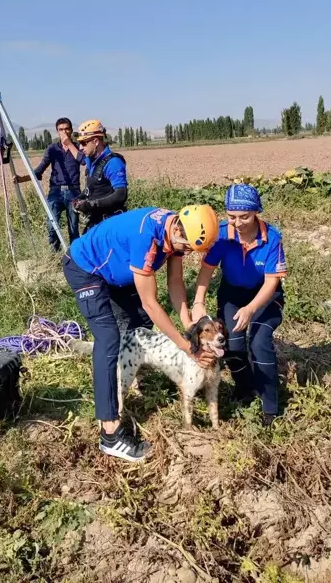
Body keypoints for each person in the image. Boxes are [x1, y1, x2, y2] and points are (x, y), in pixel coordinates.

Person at [63, 204, 220, 461]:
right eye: (188, 247)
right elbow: (152, 302)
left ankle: (129, 380)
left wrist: (189, 328)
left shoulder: (174, 229)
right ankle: (110, 433)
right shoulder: (147, 239)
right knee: (108, 339)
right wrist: (186, 346)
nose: (188, 252)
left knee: (138, 322)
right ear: (178, 231)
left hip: (117, 271)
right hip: (86, 268)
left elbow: (175, 283)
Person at [192, 184, 287, 427]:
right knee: (231, 344)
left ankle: (270, 407)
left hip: (265, 297)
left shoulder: (271, 238)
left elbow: (271, 281)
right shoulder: (222, 235)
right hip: (232, 294)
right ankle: (245, 388)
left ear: (256, 212)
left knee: (259, 342)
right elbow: (206, 272)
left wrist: (252, 308)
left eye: (244, 216)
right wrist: (199, 301)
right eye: (232, 216)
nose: (238, 222)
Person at [14, 117, 81, 251]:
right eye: (61, 129)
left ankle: (75, 258)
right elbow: (40, 170)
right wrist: (22, 179)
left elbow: (84, 161)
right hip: (55, 191)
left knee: (73, 227)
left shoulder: (78, 148)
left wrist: (70, 144)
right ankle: (54, 255)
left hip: (74, 191)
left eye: (67, 129)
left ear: (71, 130)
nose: (64, 132)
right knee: (52, 225)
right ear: (57, 132)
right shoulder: (52, 149)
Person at [69, 120, 128, 233]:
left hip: (111, 224)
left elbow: (121, 195)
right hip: (96, 222)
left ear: (95, 141)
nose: (80, 147)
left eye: (84, 143)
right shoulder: (91, 161)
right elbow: (91, 190)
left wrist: (92, 204)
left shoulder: (113, 162)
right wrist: (79, 199)